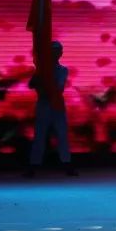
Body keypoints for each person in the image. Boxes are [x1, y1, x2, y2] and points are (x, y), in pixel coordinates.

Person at [23, 41, 76, 177]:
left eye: (58, 51)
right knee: (39, 136)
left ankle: (67, 165)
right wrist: (39, 72)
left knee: (62, 135)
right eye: (53, 51)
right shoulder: (41, 69)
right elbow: (31, 84)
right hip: (43, 105)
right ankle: (33, 166)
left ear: (61, 54)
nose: (56, 53)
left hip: (57, 104)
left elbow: (59, 87)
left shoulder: (62, 70)